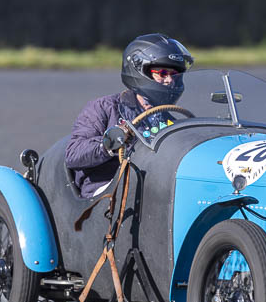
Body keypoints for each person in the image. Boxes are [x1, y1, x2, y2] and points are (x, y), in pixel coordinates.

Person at [65, 33, 194, 198]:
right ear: (141, 71)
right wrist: (111, 141)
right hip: (105, 191)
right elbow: (73, 154)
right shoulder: (104, 107)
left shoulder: (170, 121)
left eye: (174, 75)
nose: (170, 80)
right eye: (162, 73)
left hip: (152, 190)